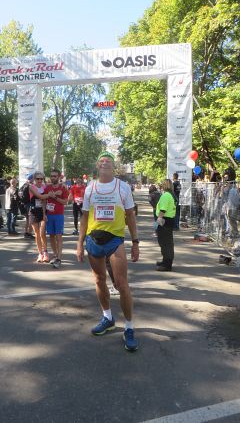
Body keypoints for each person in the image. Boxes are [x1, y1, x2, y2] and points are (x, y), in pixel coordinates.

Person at [77, 151, 140, 352]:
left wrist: (135, 242)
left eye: (108, 161)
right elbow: (85, 218)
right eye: (102, 161)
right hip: (93, 240)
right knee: (98, 280)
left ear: (113, 166)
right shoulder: (90, 188)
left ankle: (129, 328)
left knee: (122, 284)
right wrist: (79, 244)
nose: (105, 163)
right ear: (97, 165)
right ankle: (107, 318)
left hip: (115, 240)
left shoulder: (123, 187)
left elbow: (130, 215)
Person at [44, 169, 69, 269]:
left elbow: (65, 202)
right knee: (51, 236)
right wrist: (43, 214)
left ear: (59, 177)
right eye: (51, 176)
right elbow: (44, 201)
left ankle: (59, 258)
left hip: (59, 215)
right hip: (49, 215)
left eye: (55, 176)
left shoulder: (63, 188)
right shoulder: (47, 187)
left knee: (58, 237)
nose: (52, 178)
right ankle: (55, 255)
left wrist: (55, 197)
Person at [155, 179, 176, 272]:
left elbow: (163, 209)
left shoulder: (166, 195)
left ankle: (167, 264)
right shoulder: (171, 195)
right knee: (167, 242)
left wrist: (158, 220)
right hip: (169, 220)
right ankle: (166, 261)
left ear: (164, 186)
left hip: (164, 220)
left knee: (165, 243)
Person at [29, 171, 49, 263]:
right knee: (37, 234)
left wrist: (44, 214)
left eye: (41, 179)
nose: (40, 180)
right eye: (38, 179)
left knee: (42, 233)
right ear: (34, 179)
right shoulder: (31, 187)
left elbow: (44, 201)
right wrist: (49, 195)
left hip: (42, 211)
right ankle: (40, 253)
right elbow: (40, 196)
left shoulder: (45, 187)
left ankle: (45, 252)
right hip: (33, 212)